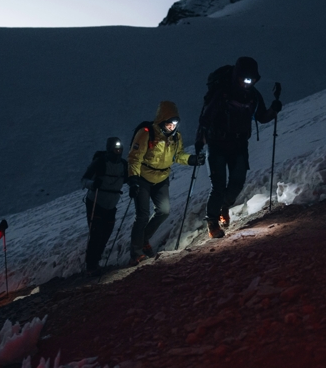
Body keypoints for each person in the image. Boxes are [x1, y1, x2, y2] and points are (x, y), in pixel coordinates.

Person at [195, 56, 282, 238]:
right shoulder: (222, 91)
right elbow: (206, 117)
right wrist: (200, 141)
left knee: (237, 183)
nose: (247, 82)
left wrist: (274, 109)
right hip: (217, 143)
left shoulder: (253, 95)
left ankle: (223, 207)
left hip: (239, 144)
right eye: (245, 77)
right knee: (218, 185)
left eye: (251, 78)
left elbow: (262, 117)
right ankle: (212, 221)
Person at [126, 100, 205, 265]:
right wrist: (133, 180)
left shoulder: (176, 137)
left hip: (162, 178)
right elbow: (134, 157)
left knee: (164, 211)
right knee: (142, 215)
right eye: (169, 122)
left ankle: (143, 239)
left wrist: (191, 159)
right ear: (162, 120)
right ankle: (136, 252)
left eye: (175, 123)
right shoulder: (147, 133)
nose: (172, 126)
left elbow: (177, 155)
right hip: (143, 178)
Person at [81, 137, 127, 274]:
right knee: (96, 233)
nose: (118, 152)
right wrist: (93, 185)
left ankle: (95, 263)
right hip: (95, 202)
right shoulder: (100, 162)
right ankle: (91, 265)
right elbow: (84, 180)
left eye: (119, 149)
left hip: (110, 204)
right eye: (115, 149)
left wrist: (134, 185)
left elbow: (129, 178)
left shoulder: (124, 165)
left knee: (106, 233)